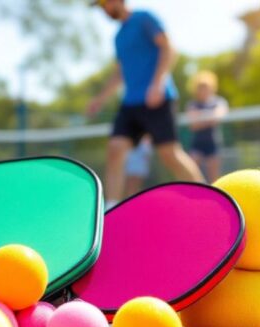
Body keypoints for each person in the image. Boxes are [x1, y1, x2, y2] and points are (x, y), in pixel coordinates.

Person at [87, 0, 203, 208]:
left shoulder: (144, 18)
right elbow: (121, 71)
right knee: (115, 148)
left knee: (169, 154)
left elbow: (168, 48)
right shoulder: (118, 37)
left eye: (105, 3)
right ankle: (111, 209)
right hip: (130, 103)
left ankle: (206, 199)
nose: (104, 9)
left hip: (157, 98)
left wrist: (158, 83)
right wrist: (100, 99)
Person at [186, 71, 228, 183]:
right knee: (192, 175)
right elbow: (194, 125)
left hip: (213, 143)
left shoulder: (219, 101)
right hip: (197, 144)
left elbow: (220, 115)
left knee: (214, 179)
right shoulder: (192, 104)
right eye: (200, 87)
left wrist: (202, 118)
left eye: (206, 87)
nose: (203, 90)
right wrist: (210, 118)